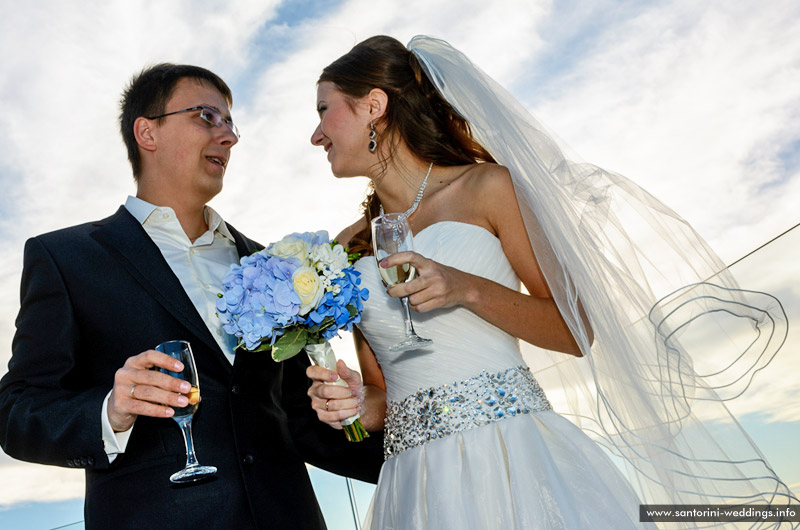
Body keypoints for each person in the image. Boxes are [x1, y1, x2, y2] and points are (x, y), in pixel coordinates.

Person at [306, 35, 799, 529]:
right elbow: (383, 394)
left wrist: (467, 288)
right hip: (416, 489)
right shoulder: (349, 248)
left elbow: (574, 331)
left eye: (325, 110)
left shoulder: (487, 188)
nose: (316, 135)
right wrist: (352, 404)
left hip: (514, 461)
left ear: (374, 105)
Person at [0, 63, 383, 530]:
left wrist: (401, 448)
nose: (228, 137)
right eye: (207, 116)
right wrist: (111, 409)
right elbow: (18, 412)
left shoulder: (270, 263)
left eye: (230, 123)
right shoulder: (66, 258)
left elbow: (298, 420)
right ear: (147, 132)